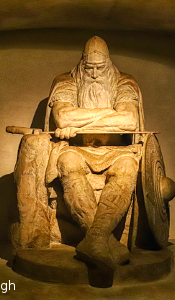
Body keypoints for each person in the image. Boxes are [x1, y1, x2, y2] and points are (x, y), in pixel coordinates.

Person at [46, 36, 143, 270]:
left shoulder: (124, 82)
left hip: (117, 150)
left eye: (100, 68)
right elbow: (63, 117)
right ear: (82, 63)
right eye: (89, 68)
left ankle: (95, 241)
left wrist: (79, 119)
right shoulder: (66, 81)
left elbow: (130, 120)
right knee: (67, 162)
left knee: (129, 167)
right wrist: (110, 114)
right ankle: (103, 241)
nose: (95, 75)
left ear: (108, 64)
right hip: (77, 148)